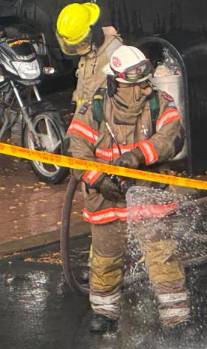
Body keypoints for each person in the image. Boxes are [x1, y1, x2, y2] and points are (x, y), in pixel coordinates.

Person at [66, 45, 187, 334]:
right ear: (116, 82)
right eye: (135, 84)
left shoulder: (160, 102)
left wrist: (139, 155)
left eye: (145, 82)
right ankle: (105, 313)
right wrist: (99, 180)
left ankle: (176, 317)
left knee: (162, 254)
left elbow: (172, 136)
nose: (144, 89)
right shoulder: (94, 109)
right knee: (106, 256)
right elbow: (76, 152)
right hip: (106, 197)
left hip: (148, 191)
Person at [55, 2, 124, 110]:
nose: (78, 49)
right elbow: (83, 81)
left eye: (81, 43)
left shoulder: (113, 50)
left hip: (103, 114)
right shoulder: (89, 48)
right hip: (86, 113)